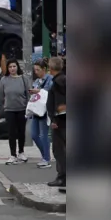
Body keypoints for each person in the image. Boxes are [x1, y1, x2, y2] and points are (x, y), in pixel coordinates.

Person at [0, 59, 30, 164]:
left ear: (17, 67)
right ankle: (13, 154)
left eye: (14, 66)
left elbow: (28, 95)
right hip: (9, 110)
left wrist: (29, 108)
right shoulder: (4, 80)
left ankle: (21, 152)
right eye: (10, 67)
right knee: (11, 133)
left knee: (21, 132)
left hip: (22, 109)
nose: (12, 69)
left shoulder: (24, 79)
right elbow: (0, 96)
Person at [28, 59, 55, 168]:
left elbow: (49, 92)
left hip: (44, 110)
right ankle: (45, 155)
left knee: (44, 135)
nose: (36, 72)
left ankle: (46, 158)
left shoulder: (50, 79)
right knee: (34, 135)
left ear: (44, 69)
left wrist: (38, 91)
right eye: (35, 70)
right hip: (36, 109)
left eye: (38, 70)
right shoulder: (37, 81)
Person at [46, 57, 67, 188]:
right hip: (62, 120)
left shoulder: (59, 82)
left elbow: (60, 105)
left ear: (51, 68)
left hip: (60, 121)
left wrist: (54, 119)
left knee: (59, 150)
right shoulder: (62, 79)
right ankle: (62, 176)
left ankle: (63, 177)